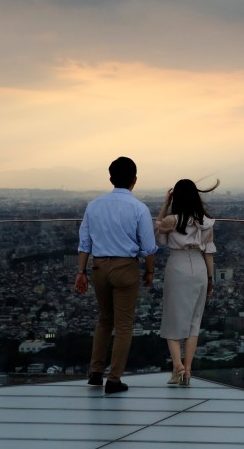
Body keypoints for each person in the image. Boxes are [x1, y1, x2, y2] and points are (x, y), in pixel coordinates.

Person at [75, 156, 158, 394]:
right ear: (134, 180)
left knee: (104, 319)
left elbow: (84, 242)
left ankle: (95, 372)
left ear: (111, 178)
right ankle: (114, 379)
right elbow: (149, 247)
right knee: (123, 325)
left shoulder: (94, 205)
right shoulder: (139, 208)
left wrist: (81, 271)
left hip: (99, 266)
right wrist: (150, 271)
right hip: (125, 267)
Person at [155, 178, 218, 386]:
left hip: (178, 265)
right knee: (194, 320)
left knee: (172, 318)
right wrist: (210, 279)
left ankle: (178, 366)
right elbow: (209, 252)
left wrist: (165, 203)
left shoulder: (172, 220)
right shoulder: (206, 222)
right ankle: (188, 371)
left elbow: (157, 232)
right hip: (199, 266)